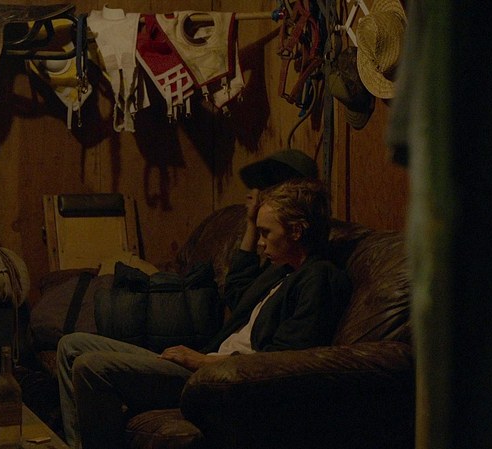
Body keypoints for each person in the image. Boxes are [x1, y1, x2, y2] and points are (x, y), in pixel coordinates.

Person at [56, 177, 350, 449]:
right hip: (208, 363)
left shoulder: (318, 278)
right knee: (71, 346)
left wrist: (202, 361)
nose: (261, 243)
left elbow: (282, 360)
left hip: (220, 379)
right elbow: (237, 290)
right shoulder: (281, 271)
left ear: (296, 231)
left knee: (91, 366)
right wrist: (251, 224)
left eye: (266, 233)